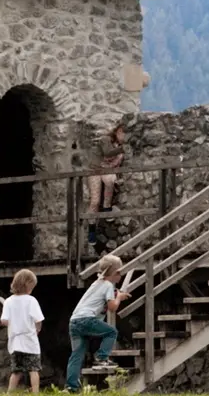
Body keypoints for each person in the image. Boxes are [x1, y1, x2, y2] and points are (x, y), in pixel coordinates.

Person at [66, 255, 130, 391]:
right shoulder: (108, 285)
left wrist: (115, 295)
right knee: (111, 332)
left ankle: (71, 387)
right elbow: (112, 308)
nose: (121, 276)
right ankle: (102, 358)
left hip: (74, 321)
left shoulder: (97, 284)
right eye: (120, 272)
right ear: (114, 273)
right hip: (87, 319)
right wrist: (119, 297)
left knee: (77, 354)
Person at [1, 269, 46, 392]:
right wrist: (37, 330)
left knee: (16, 371)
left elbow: (4, 321)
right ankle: (35, 392)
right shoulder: (31, 301)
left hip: (15, 342)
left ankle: (9, 393)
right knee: (34, 370)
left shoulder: (8, 302)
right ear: (28, 286)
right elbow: (38, 320)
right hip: (30, 341)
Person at [84, 122, 126, 249]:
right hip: (95, 170)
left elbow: (115, 165)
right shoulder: (105, 139)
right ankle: (91, 229)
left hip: (107, 170)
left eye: (125, 134)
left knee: (110, 181)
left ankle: (107, 206)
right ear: (116, 132)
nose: (123, 136)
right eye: (121, 132)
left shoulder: (120, 150)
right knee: (95, 201)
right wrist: (122, 149)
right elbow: (107, 153)